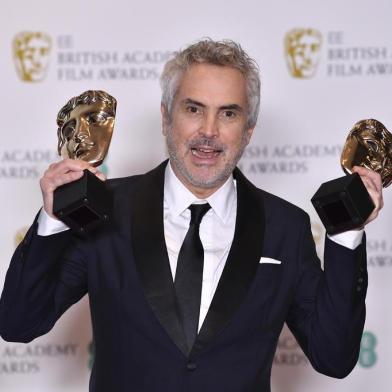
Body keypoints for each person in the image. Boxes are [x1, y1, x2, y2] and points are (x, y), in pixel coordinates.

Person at [0, 39, 383, 392]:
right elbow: (19, 323)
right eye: (194, 109)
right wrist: (53, 220)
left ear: (248, 130)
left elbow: (333, 358)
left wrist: (346, 234)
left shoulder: (285, 226)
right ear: (167, 118)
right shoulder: (107, 210)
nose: (209, 131)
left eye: (228, 113)